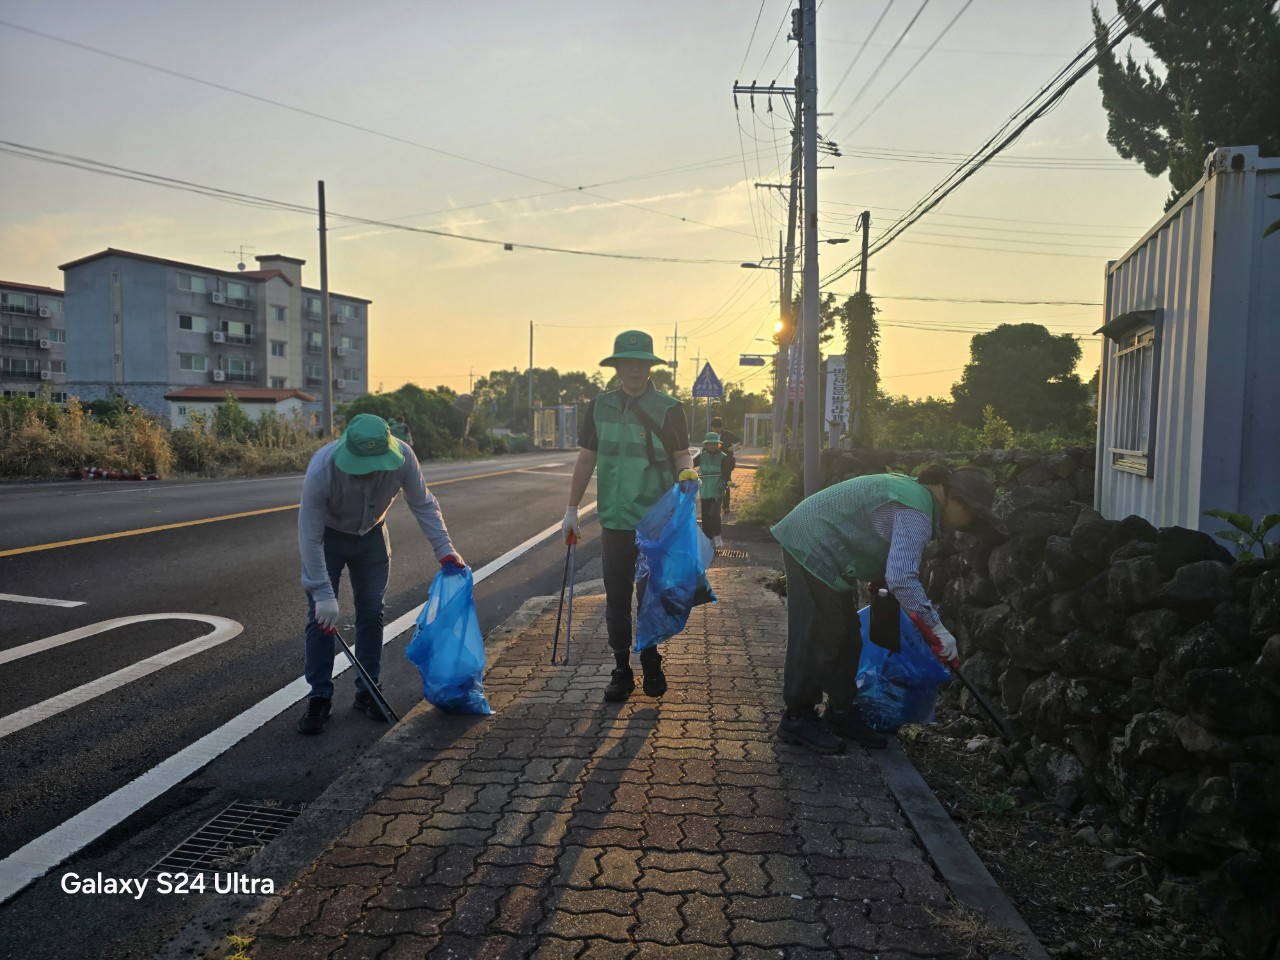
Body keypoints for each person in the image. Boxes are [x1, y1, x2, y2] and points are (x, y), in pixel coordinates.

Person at [770, 463, 1005, 754]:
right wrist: (938, 629)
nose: (968, 525)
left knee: (846, 634)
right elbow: (903, 578)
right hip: (811, 540)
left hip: (826, 546)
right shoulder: (917, 508)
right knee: (819, 633)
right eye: (972, 514)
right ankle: (796, 717)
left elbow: (885, 546)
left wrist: (880, 577)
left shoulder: (916, 496)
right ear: (956, 499)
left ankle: (841, 712)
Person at [297, 413, 463, 734]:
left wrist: (445, 551)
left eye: (377, 464)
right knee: (321, 619)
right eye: (363, 465)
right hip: (329, 538)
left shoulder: (403, 458)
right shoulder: (323, 467)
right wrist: (321, 591)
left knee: (372, 612)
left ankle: (367, 689)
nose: (371, 472)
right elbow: (309, 534)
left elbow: (423, 504)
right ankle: (319, 695)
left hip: (372, 536)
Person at [562, 330, 695, 702]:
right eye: (627, 362)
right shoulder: (599, 406)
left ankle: (651, 660)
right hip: (614, 522)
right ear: (617, 366)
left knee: (649, 599)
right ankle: (621, 671)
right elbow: (586, 458)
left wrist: (687, 472)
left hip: (656, 522)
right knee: (616, 599)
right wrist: (571, 509)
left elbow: (681, 454)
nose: (634, 369)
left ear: (650, 367)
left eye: (641, 363)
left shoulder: (669, 408)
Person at [692, 432, 734, 549]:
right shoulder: (702, 456)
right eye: (709, 444)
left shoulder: (723, 457)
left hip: (717, 490)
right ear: (705, 445)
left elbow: (726, 474)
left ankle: (717, 537)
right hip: (705, 491)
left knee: (714, 513)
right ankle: (708, 539)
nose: (711, 446)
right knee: (705, 516)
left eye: (714, 444)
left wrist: (728, 482)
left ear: (718, 445)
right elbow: (690, 465)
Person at [710, 416, 740, 515]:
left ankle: (726, 506)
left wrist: (735, 446)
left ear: (721, 427)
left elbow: (739, 440)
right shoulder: (709, 436)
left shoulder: (727, 435)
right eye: (713, 427)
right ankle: (714, 505)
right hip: (714, 464)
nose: (715, 430)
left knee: (726, 483)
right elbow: (705, 449)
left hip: (726, 463)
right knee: (714, 484)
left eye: (717, 428)